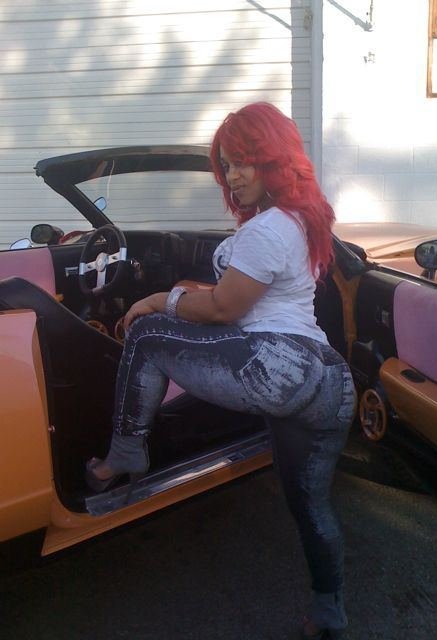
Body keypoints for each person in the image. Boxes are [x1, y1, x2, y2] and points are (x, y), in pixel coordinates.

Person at [85, 102, 356, 640]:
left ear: (273, 158)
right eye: (226, 165)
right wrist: (185, 293)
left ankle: (126, 450)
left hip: (278, 364)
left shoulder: (267, 228)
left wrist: (159, 298)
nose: (232, 176)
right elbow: (241, 296)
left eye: (243, 161)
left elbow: (223, 309)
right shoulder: (299, 220)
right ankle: (330, 609)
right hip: (330, 381)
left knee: (146, 335)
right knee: (310, 504)